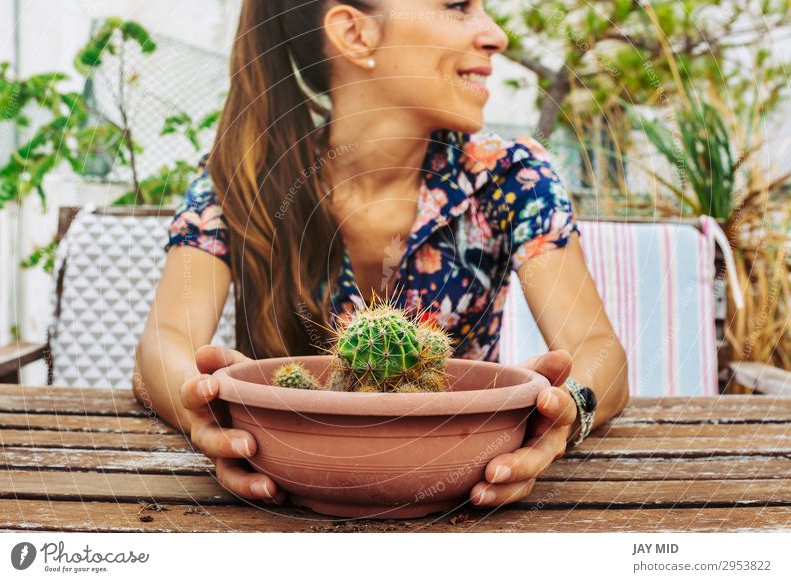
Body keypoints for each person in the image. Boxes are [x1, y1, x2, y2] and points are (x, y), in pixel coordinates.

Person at [133, 0, 629, 509]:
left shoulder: (510, 176)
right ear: (355, 33)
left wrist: (567, 411)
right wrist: (203, 409)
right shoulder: (246, 178)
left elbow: (598, 351)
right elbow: (165, 343)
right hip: (287, 492)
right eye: (457, 6)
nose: (495, 35)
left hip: (462, 487)